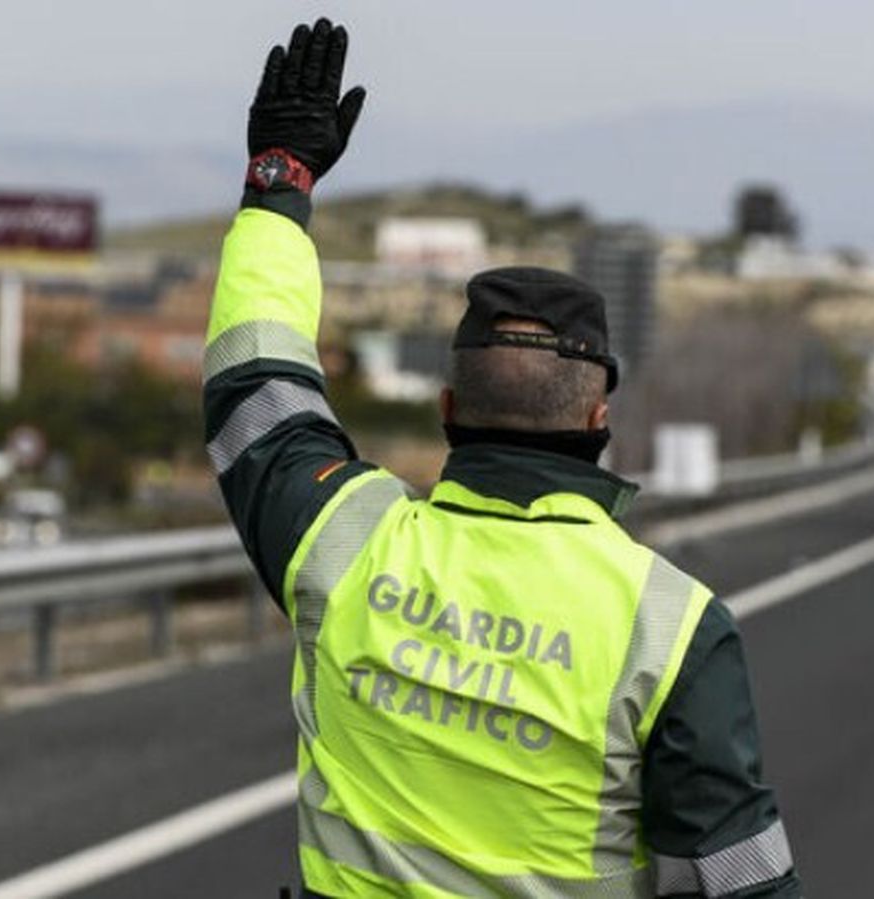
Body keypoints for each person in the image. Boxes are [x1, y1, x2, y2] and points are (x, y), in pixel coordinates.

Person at [205, 18, 800, 897]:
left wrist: (278, 183)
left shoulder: (342, 541)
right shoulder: (671, 627)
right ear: (599, 417)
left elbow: (256, 382)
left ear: (448, 409)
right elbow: (747, 881)